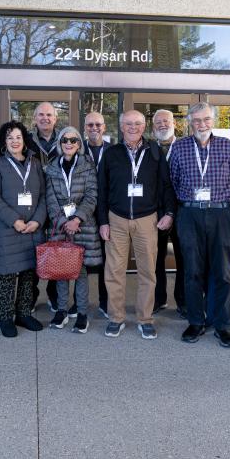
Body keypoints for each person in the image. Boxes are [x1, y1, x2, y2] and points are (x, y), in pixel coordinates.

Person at [99, 110, 175, 339]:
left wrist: (169, 213)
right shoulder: (111, 153)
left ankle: (145, 318)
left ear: (144, 127)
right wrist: (103, 221)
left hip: (146, 220)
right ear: (121, 127)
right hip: (117, 219)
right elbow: (102, 189)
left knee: (147, 272)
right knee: (114, 271)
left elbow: (166, 185)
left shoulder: (154, 151)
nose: (133, 127)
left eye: (138, 124)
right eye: (128, 124)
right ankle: (116, 318)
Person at [169, 102, 230, 348]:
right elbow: (173, 180)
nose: (202, 124)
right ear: (190, 122)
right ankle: (196, 321)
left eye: (206, 119)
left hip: (221, 213)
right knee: (192, 271)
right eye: (197, 120)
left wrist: (220, 202)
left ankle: (222, 324)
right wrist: (190, 203)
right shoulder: (179, 147)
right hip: (190, 214)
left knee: (222, 272)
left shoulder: (226, 146)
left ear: (213, 121)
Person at [0, 121, 47, 338]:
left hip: (32, 229)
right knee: (8, 275)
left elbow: (42, 196)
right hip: (8, 229)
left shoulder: (35, 163)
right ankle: (5, 317)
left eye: (18, 137)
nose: (14, 141)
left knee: (29, 275)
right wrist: (15, 221)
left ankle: (23, 313)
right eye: (10, 137)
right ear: (4, 141)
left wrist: (38, 221)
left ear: (24, 140)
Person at [44, 126, 102, 333]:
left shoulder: (88, 166)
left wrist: (77, 219)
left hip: (83, 227)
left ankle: (82, 313)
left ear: (79, 144)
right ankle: (61, 310)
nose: (68, 143)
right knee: (61, 272)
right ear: (59, 144)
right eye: (64, 140)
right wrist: (63, 223)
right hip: (60, 226)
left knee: (81, 272)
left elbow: (91, 196)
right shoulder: (51, 168)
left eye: (73, 140)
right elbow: (50, 200)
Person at [151, 109, 186, 316]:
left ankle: (182, 301)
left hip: (181, 211)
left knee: (183, 258)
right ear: (153, 126)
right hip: (156, 212)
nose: (162, 125)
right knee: (156, 258)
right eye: (158, 122)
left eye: (166, 121)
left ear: (174, 123)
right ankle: (158, 299)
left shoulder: (184, 146)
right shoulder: (148, 148)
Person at [29, 101, 61, 311]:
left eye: (49, 115)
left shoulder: (65, 139)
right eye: (41, 115)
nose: (45, 118)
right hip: (33, 204)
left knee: (57, 251)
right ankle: (30, 295)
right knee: (33, 251)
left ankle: (54, 294)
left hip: (59, 203)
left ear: (55, 119)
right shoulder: (26, 141)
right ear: (35, 118)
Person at [82, 111, 109, 317]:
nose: (94, 128)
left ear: (104, 127)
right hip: (84, 213)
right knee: (80, 259)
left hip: (107, 212)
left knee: (108, 260)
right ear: (85, 127)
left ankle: (105, 301)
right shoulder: (77, 149)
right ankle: (79, 303)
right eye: (90, 125)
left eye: (98, 125)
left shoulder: (113, 150)